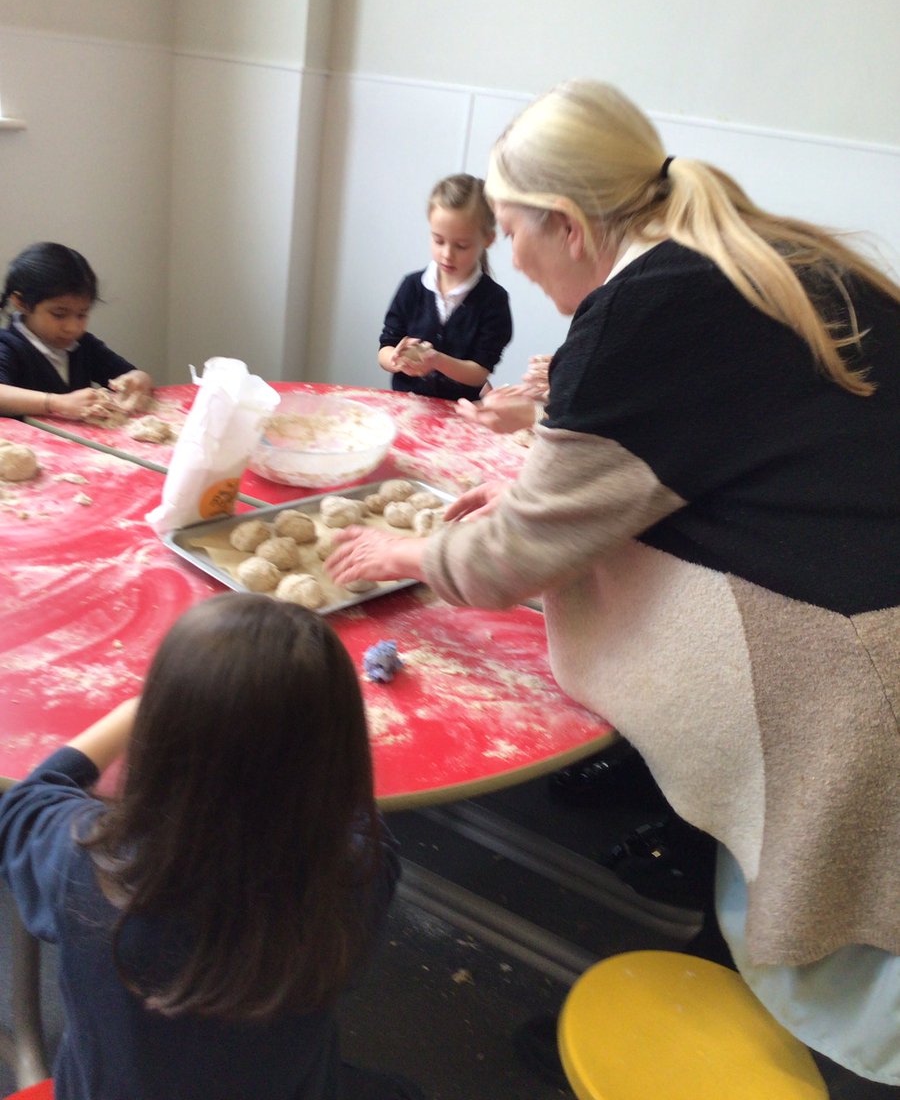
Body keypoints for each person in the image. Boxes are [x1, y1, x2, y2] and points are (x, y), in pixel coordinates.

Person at [328, 80, 900, 1096]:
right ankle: (708, 992)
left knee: (826, 980)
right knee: (769, 924)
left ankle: (735, 1058)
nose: (516, 262)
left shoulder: (641, 310)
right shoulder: (766, 251)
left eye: (512, 235)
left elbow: (525, 553)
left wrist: (406, 555)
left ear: (569, 224)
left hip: (856, 688)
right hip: (867, 611)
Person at [0, 592, 422, 1100]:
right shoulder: (360, 872)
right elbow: (350, 803)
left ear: (158, 737)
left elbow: (25, 802)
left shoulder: (88, 863)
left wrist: (135, 711)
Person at [378, 173, 512, 402]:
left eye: (461, 245)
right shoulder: (412, 287)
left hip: (458, 416)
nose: (447, 254)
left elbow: (479, 373)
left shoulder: (493, 301)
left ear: (488, 239)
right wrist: (397, 360)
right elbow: (385, 348)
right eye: (438, 241)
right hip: (406, 406)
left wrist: (436, 361)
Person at [0, 241, 153, 421]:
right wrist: (56, 403)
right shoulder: (7, 345)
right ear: (21, 303)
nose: (72, 328)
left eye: (82, 314)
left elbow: (126, 374)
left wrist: (140, 379)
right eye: (59, 314)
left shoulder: (83, 345)